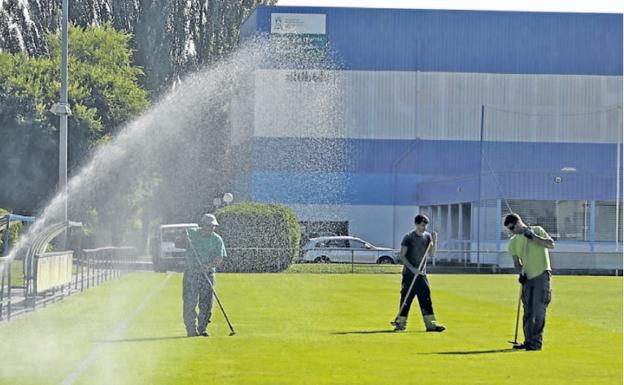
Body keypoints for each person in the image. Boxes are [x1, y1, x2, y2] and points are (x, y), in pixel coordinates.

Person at [504, 213, 555, 351]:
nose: (512, 231)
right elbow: (516, 262)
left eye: (513, 227)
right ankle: (527, 341)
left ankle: (536, 343)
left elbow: (550, 244)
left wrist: (532, 237)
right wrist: (520, 273)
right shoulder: (513, 242)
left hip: (541, 275)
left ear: (519, 222)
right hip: (528, 278)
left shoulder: (537, 230)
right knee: (527, 311)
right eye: (510, 229)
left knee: (538, 311)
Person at [391, 214, 445, 332]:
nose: (424, 227)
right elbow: (402, 256)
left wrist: (435, 241)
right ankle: (400, 324)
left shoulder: (427, 237)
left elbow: (432, 253)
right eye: (422, 225)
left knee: (426, 299)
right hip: (409, 275)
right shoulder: (408, 237)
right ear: (416, 224)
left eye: (425, 225)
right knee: (406, 299)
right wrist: (412, 269)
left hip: (421, 275)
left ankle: (431, 325)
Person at [176, 213, 227, 337]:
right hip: (191, 274)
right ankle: (191, 329)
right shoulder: (192, 234)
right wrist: (183, 237)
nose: (211, 228)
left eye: (213, 226)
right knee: (189, 302)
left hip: (207, 275)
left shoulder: (217, 239)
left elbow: (219, 258)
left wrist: (207, 266)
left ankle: (202, 328)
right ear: (202, 225)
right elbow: (178, 243)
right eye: (209, 226)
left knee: (206, 304)